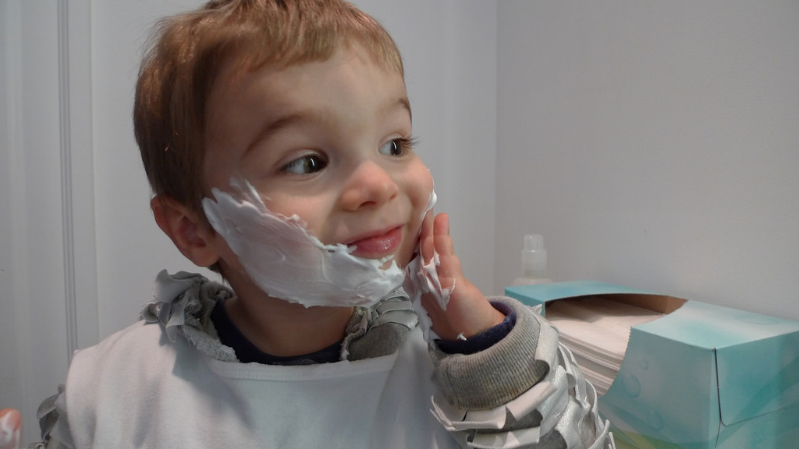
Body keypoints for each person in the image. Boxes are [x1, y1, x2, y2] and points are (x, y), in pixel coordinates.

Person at [33, 1, 615, 448]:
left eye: (395, 142)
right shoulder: (117, 392)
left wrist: (493, 360)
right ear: (194, 230)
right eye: (308, 162)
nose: (380, 186)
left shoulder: (460, 377)